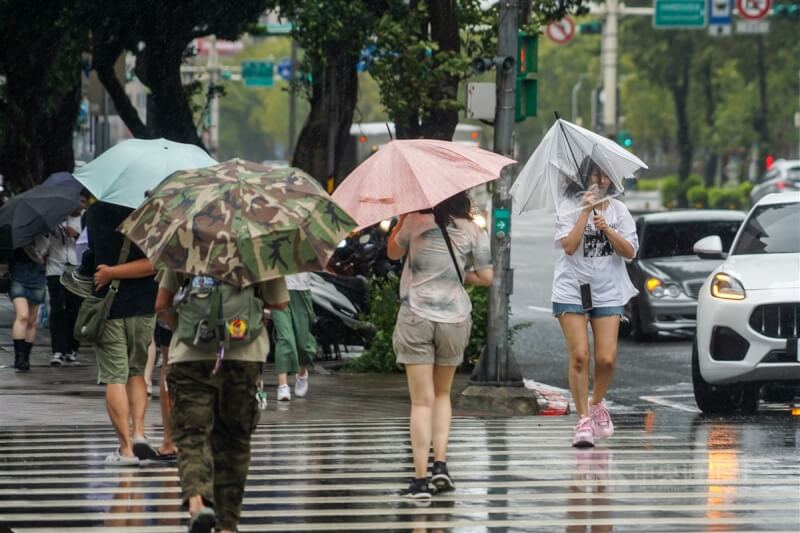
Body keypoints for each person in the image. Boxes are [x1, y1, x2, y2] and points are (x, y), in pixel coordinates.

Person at [157, 271, 288, 533]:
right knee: (235, 442)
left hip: (190, 356)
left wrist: (185, 330)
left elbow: (162, 304)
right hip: (244, 355)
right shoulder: (257, 248)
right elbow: (281, 303)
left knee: (192, 436)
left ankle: (197, 501)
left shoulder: (185, 241)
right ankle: (227, 524)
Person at [386, 191, 493, 499]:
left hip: (416, 316)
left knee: (421, 402)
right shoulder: (474, 230)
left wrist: (400, 221)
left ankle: (419, 481)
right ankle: (441, 466)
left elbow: (393, 253)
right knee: (443, 394)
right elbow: (487, 277)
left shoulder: (414, 221)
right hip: (454, 319)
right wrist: (457, 274)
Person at [552, 160, 638, 448]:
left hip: (608, 291)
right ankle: (583, 421)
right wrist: (585, 212)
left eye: (604, 175)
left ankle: (597, 402)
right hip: (572, 289)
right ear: (584, 178)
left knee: (606, 359)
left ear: (611, 181)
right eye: (594, 174)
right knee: (580, 356)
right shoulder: (568, 206)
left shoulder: (619, 211)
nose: (599, 180)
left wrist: (608, 230)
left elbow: (630, 253)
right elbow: (569, 246)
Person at [87, 201, 160, 466]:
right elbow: (154, 263)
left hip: (108, 305)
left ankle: (126, 449)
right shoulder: (150, 213)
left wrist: (111, 273)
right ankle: (139, 433)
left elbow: (93, 256)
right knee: (137, 372)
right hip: (144, 304)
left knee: (114, 376)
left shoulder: (95, 212)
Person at [48, 190, 88, 366]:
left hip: (77, 271)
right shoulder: (55, 218)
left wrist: (76, 235)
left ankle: (72, 348)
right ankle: (58, 350)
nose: (79, 204)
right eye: (76, 200)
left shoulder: (87, 219)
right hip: (55, 269)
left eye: (82, 201)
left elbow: (91, 244)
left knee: (75, 310)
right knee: (57, 310)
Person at [273, 272, 317, 401]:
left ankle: (302, 373)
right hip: (278, 290)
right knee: (285, 338)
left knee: (303, 344)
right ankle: (283, 385)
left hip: (301, 290)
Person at [9, 234, 50, 371]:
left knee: (32, 320)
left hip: (38, 276)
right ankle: (19, 357)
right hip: (18, 275)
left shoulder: (46, 232)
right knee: (23, 316)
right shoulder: (16, 232)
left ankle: (26, 357)